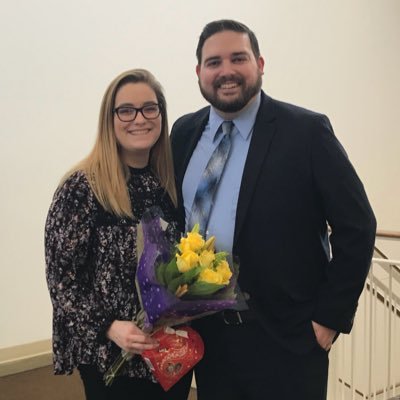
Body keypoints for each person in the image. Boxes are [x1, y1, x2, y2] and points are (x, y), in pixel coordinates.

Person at [170, 19, 376, 400]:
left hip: (287, 338)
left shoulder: (307, 132)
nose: (226, 71)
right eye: (214, 62)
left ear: (260, 64)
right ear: (199, 72)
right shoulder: (184, 132)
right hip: (210, 336)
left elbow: (357, 226)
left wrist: (329, 318)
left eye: (238, 58)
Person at [45, 69, 192, 400]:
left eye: (149, 108)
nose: (138, 118)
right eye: (126, 110)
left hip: (169, 354)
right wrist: (110, 326)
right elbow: (62, 281)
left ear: (161, 115)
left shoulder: (168, 185)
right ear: (109, 119)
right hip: (114, 357)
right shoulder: (83, 187)